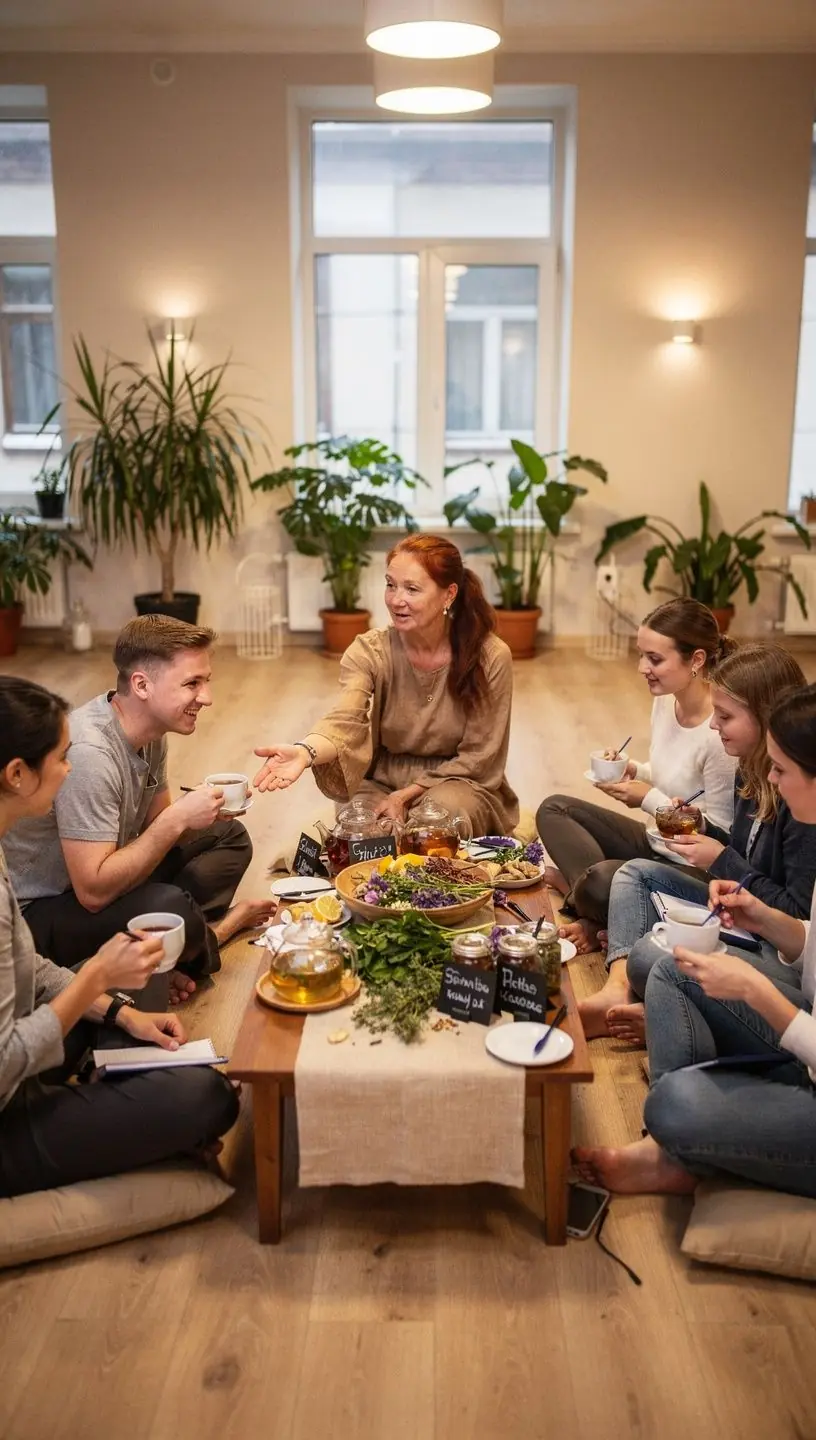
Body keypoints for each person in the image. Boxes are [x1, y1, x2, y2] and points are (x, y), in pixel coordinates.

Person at [573, 683, 816, 1200]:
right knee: (671, 966)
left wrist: (756, 991)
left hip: (805, 1047)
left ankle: (676, 1148)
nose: (771, 779)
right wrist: (765, 919)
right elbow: (806, 937)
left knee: (673, 1103)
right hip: (801, 1031)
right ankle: (674, 1148)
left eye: (780, 769)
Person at [0, 676, 239, 1197]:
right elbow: (5, 1063)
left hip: (24, 1048)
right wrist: (94, 979)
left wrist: (121, 1013)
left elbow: (30, 967)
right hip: (7, 1104)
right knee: (208, 1095)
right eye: (61, 758)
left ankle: (117, 1082)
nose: (71, 768)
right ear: (17, 774)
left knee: (131, 1014)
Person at [2, 616, 272, 1006]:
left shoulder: (151, 731)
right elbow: (93, 893)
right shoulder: (90, 755)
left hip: (106, 874)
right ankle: (210, 935)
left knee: (228, 836)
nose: (207, 697)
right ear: (142, 685)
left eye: (206, 681)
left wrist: (201, 814)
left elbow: (154, 827)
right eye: (192, 683)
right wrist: (179, 818)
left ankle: (166, 948)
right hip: (45, 912)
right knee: (170, 906)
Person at [582, 643, 816, 1041]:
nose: (712, 726)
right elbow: (745, 857)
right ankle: (620, 990)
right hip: (740, 920)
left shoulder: (802, 802)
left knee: (651, 956)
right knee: (633, 874)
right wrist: (703, 828)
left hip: (775, 952)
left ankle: (669, 1012)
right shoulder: (751, 770)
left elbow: (797, 918)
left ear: (767, 717)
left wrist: (720, 859)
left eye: (724, 716)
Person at [253, 534, 520, 836]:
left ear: (449, 594)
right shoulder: (370, 650)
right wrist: (305, 752)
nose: (395, 600)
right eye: (390, 585)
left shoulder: (490, 656)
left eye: (411, 589)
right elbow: (344, 719)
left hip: (458, 781)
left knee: (435, 828)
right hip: (381, 777)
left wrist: (405, 797)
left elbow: (478, 757)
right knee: (365, 830)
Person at [536, 599, 737, 953]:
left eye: (655, 659)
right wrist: (634, 770)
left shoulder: (718, 733)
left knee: (601, 881)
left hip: (691, 869)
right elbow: (672, 779)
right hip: (654, 841)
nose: (642, 667)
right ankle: (590, 901)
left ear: (696, 660)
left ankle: (585, 901)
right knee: (554, 809)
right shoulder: (666, 699)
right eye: (642, 655)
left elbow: (721, 834)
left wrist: (647, 798)